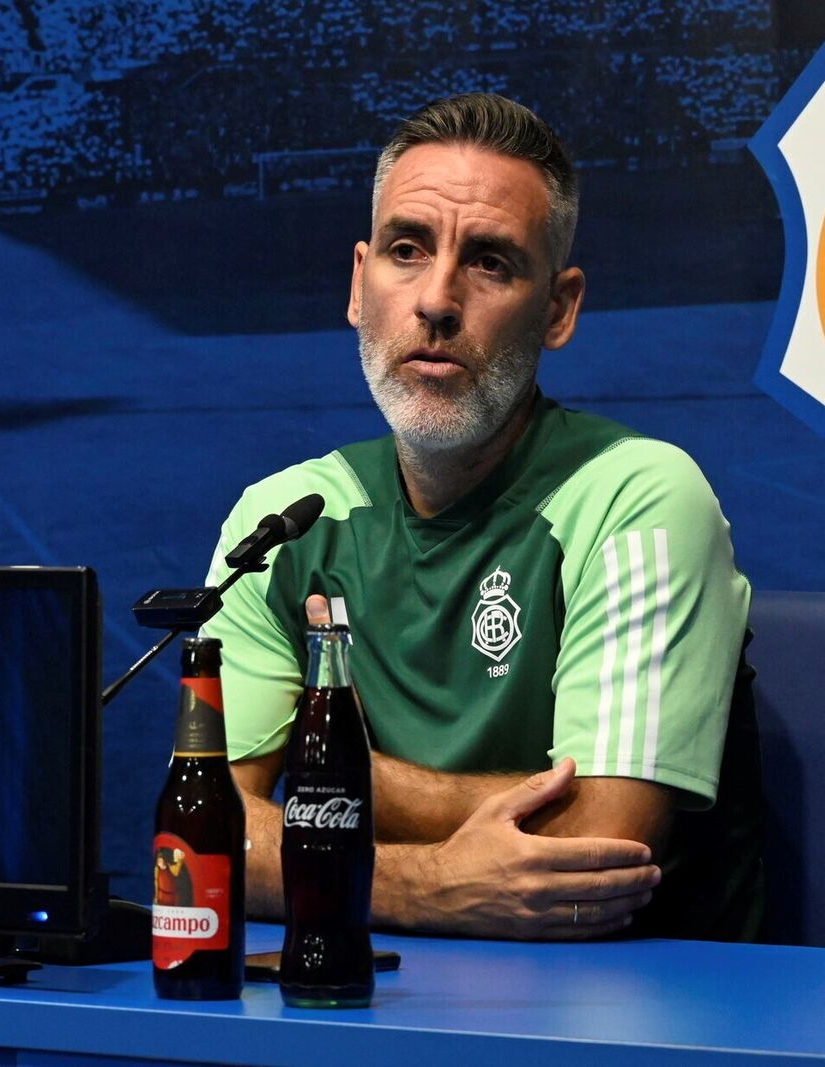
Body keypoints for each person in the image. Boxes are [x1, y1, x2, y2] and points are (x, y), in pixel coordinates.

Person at [201, 93, 763, 941]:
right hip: (377, 1006)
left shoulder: (637, 498)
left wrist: (341, 771)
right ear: (359, 285)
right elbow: (205, 837)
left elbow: (598, 855)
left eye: (491, 262)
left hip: (633, 1019)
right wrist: (425, 885)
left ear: (560, 308)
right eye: (405, 250)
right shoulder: (282, 523)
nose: (436, 299)